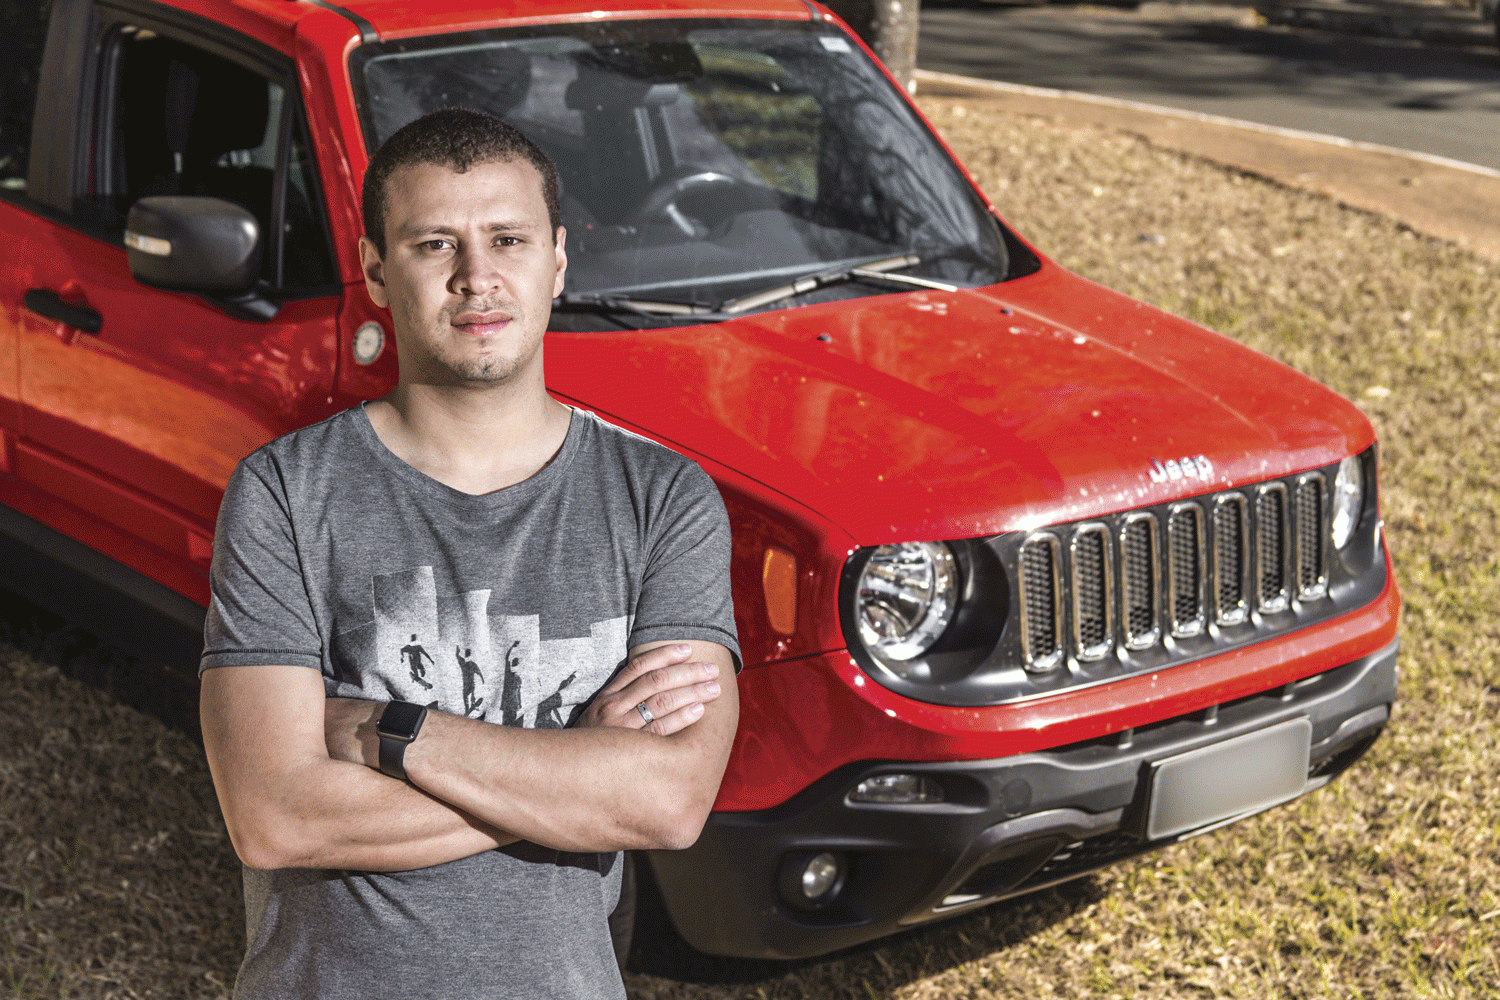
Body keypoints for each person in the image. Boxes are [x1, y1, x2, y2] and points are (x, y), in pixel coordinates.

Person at [198, 107, 740, 1000]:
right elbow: (274, 817)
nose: (477, 278)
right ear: (376, 270)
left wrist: (384, 733)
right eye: (434, 245)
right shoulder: (286, 493)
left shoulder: (664, 500)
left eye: (508, 239)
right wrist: (574, 774)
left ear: (557, 259)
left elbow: (669, 802)